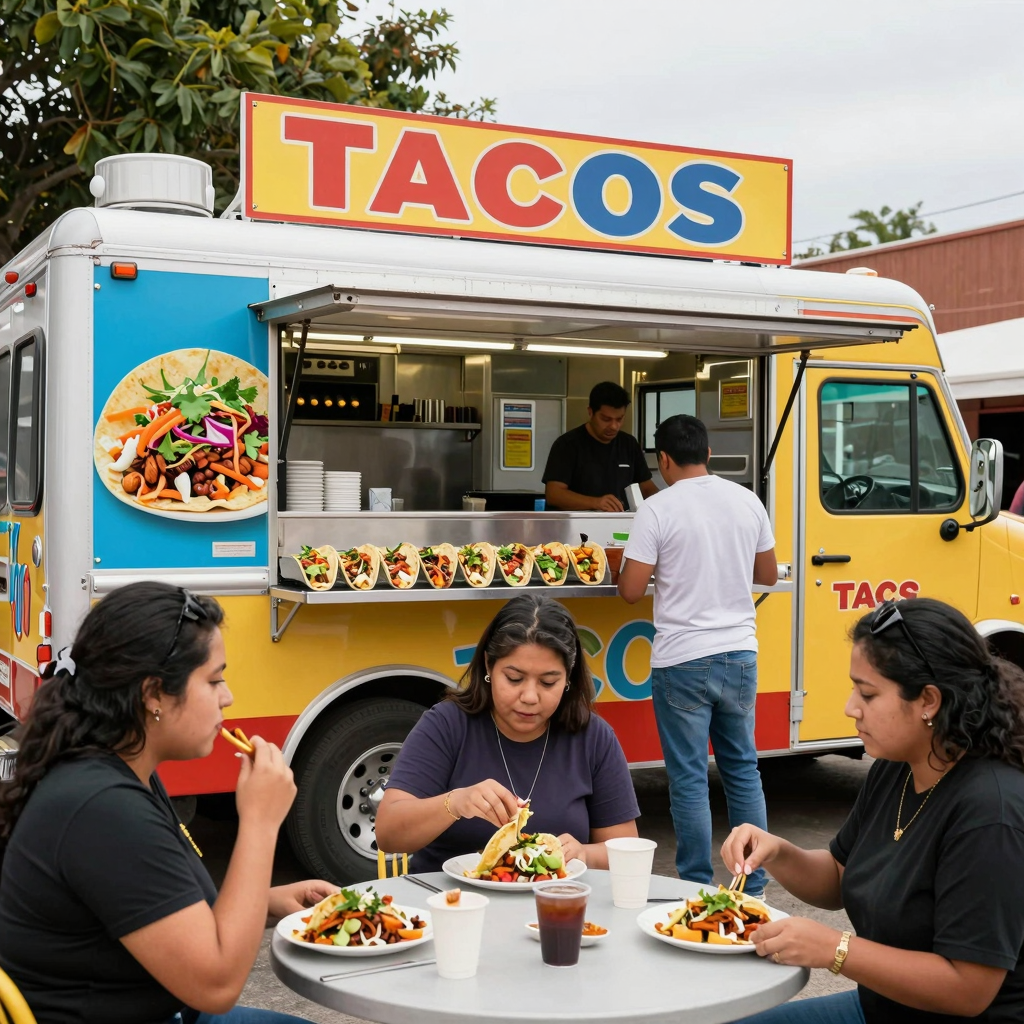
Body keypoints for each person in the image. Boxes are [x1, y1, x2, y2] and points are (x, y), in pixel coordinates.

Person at [0, 582, 335, 1024]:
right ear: (153, 694)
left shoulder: (115, 767)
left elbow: (156, 905)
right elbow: (216, 985)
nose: (227, 696)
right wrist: (260, 821)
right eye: (214, 679)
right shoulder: (101, 807)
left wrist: (267, 899)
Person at [725, 597, 1024, 1024]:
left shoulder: (991, 812)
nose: (851, 707)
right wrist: (776, 852)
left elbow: (969, 987)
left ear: (929, 701)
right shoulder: (897, 766)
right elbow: (839, 880)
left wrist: (835, 950)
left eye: (867, 693)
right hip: (880, 1010)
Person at [617, 413, 777, 894]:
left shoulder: (657, 509)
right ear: (708, 454)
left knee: (688, 778)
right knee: (743, 769)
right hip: (739, 654)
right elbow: (767, 574)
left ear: (663, 459)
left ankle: (696, 887)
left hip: (682, 658)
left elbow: (629, 590)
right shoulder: (747, 501)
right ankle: (754, 885)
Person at [375, 593, 641, 870]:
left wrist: (584, 853)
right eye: (514, 679)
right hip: (451, 904)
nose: (529, 696)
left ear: (568, 679)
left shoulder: (592, 737)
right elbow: (389, 833)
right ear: (489, 665)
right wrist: (455, 803)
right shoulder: (447, 724)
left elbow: (626, 849)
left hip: (550, 905)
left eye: (548, 682)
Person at [542, 380, 659, 512]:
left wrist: (669, 503)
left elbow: (647, 488)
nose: (614, 426)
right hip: (577, 529)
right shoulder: (567, 445)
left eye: (619, 419)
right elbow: (554, 494)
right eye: (606, 419)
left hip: (620, 527)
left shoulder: (629, 444)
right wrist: (596, 503)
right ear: (590, 412)